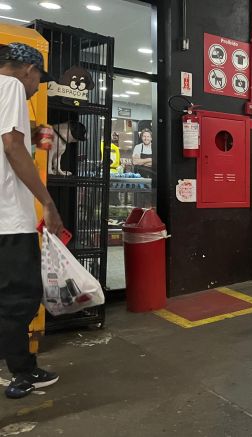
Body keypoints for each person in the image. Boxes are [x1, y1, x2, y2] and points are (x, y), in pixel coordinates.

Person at [0, 43, 64, 399]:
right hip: (9, 218)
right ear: (28, 70)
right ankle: (22, 374)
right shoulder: (10, 88)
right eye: (39, 77)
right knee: (21, 298)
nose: (38, 86)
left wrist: (33, 128)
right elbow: (11, 146)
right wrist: (48, 202)